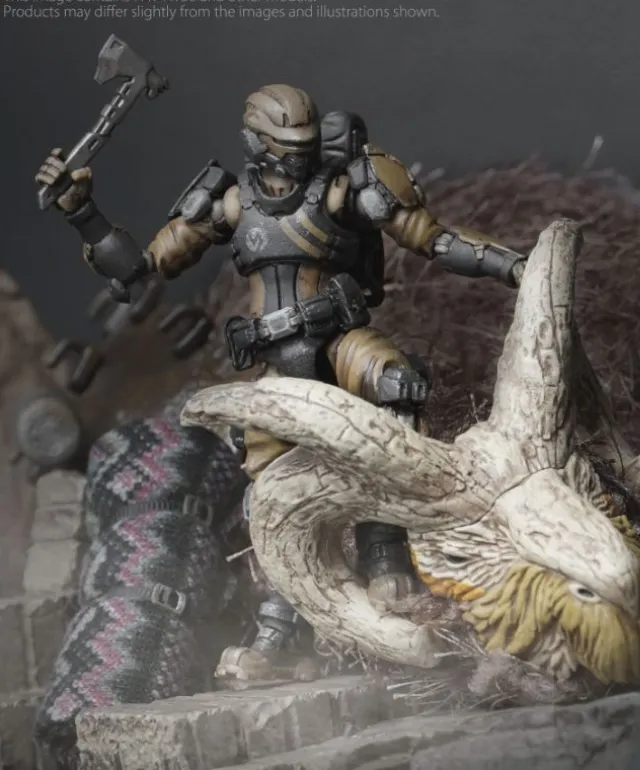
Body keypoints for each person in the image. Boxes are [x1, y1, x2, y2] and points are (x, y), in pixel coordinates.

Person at [35, 83, 526, 675]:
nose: (298, 158)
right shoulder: (230, 203)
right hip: (275, 369)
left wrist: (514, 266)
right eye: (286, 148)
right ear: (256, 144)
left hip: (340, 343)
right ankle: (280, 627)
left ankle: (387, 555)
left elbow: (434, 239)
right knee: (271, 498)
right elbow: (139, 271)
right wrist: (81, 211)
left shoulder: (345, 188)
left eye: (305, 145)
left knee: (397, 386)